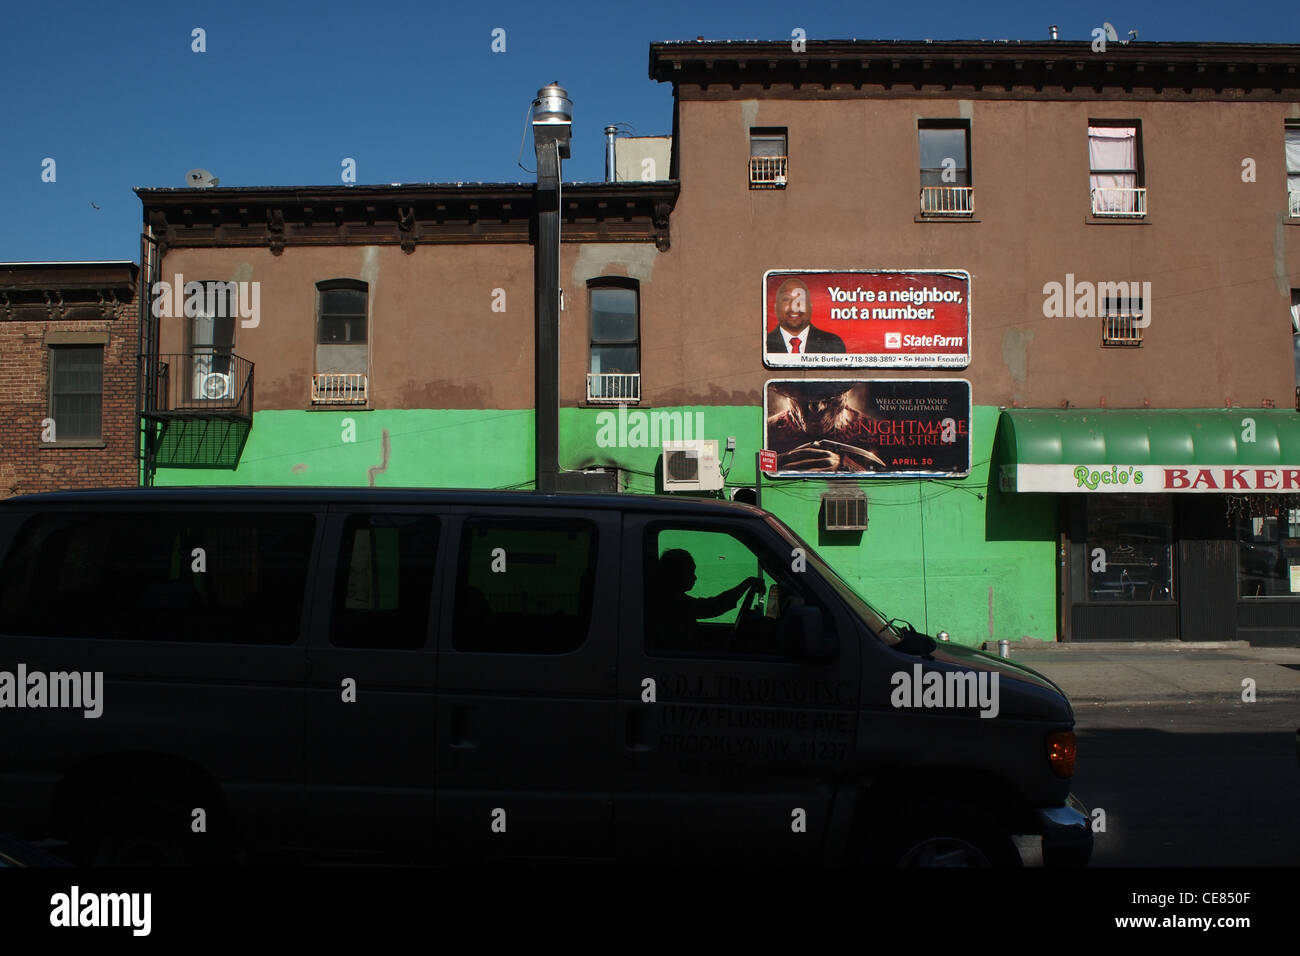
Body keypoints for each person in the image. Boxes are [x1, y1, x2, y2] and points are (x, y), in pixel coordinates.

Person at [649, 549, 763, 647]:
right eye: (690, 572)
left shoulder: (670, 599)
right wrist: (747, 583)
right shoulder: (674, 603)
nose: (695, 577)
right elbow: (714, 606)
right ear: (676, 575)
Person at [766, 381, 886, 473]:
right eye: (803, 398)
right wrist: (773, 468)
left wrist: (847, 467)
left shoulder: (878, 433)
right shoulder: (765, 432)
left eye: (829, 398)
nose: (817, 408)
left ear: (845, 395)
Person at [765, 277, 847, 354]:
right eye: (786, 299)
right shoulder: (764, 344)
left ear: (810, 307)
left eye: (801, 299)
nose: (794, 307)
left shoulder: (833, 344)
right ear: (775, 308)